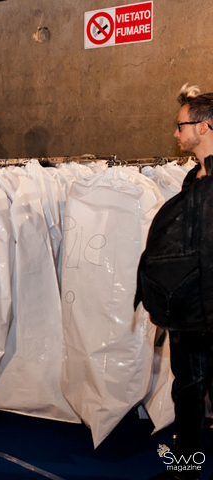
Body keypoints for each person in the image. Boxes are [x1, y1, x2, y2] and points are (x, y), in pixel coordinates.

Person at [148, 85, 213, 480]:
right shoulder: (193, 178)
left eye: (181, 125)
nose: (176, 133)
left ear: (204, 127)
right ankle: (185, 468)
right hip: (190, 307)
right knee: (186, 388)